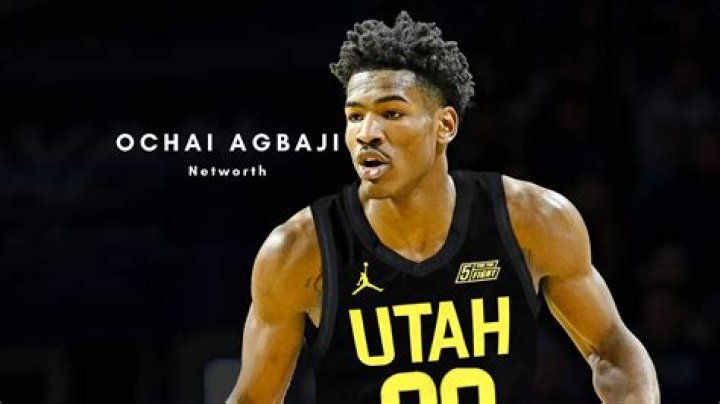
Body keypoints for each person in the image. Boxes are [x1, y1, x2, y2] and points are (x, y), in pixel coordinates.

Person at [227, 11, 659, 404]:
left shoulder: (532, 220)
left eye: (391, 113)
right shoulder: (299, 251)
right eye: (355, 116)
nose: (367, 133)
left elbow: (612, 349)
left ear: (445, 125)